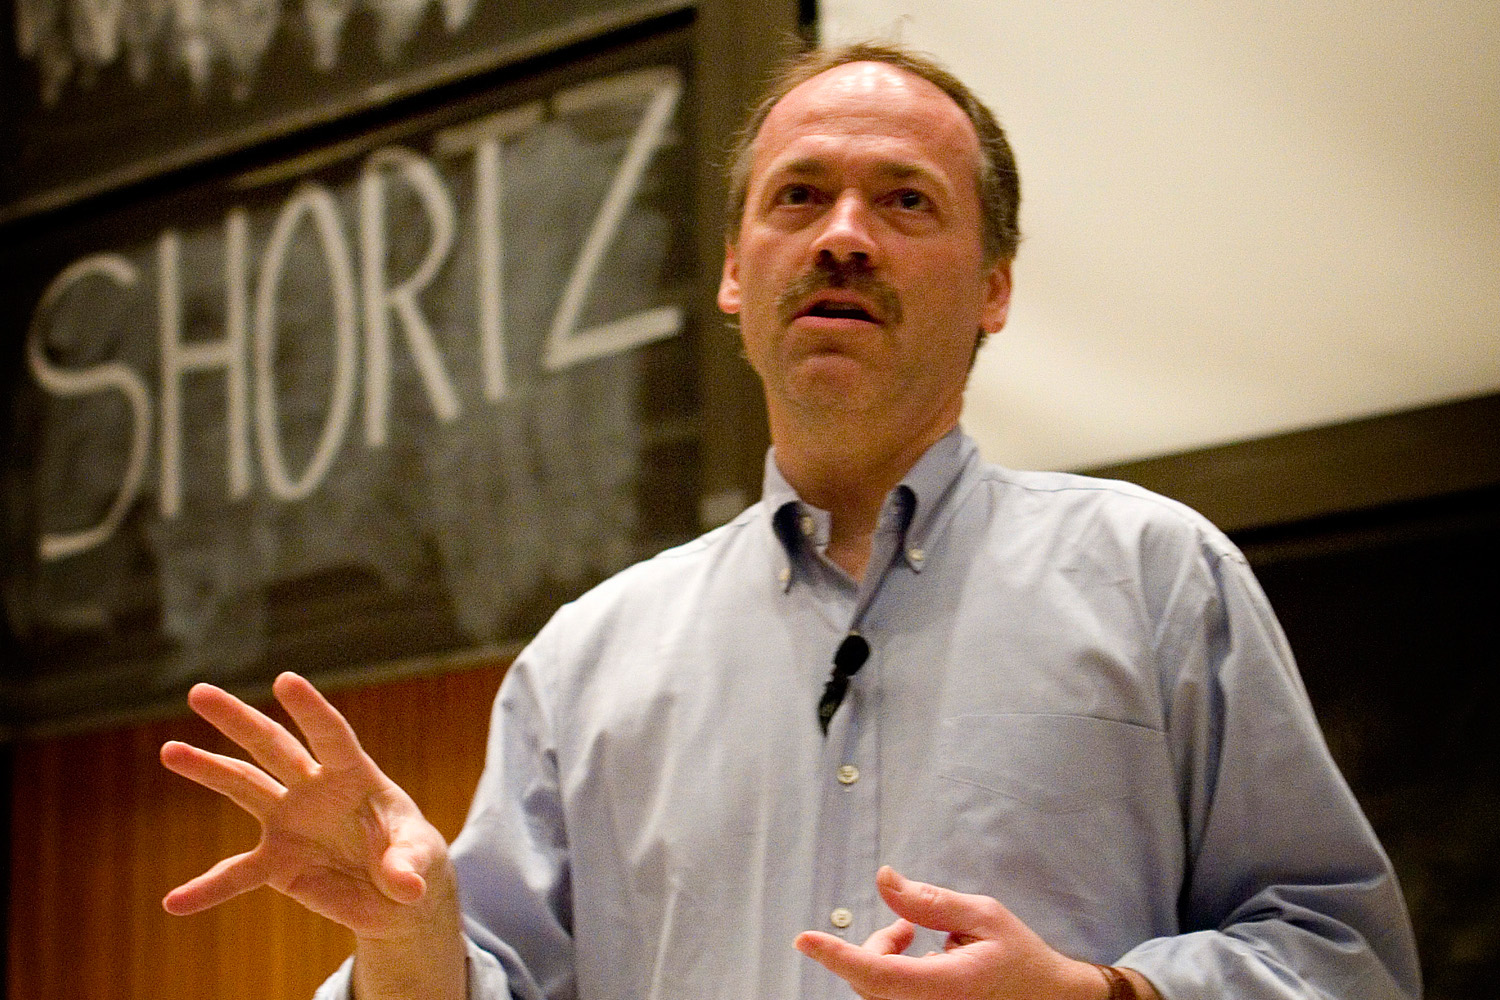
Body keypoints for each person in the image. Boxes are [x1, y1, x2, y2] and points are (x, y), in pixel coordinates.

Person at [161, 42, 1422, 1000]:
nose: (845, 238)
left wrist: (1110, 994)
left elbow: (1346, 955)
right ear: (732, 272)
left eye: (907, 202)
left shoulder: (1158, 575)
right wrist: (411, 935)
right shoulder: (586, 661)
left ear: (995, 288)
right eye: (799, 197)